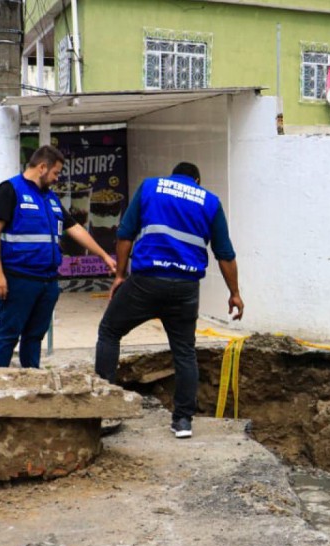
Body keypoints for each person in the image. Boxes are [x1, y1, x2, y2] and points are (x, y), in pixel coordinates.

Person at [94, 162, 243, 439]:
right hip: (185, 288)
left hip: (146, 282)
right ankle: (183, 421)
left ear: (173, 175)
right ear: (196, 180)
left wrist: (119, 275)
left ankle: (104, 409)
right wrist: (234, 293)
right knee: (184, 351)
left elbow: (125, 234)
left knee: (110, 331)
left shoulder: (150, 186)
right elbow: (225, 253)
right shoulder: (209, 201)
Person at [0, 145, 118, 368]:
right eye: (56, 173)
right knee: (8, 335)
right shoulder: (10, 190)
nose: (57, 178)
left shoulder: (51, 198)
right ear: (42, 167)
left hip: (47, 281)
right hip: (19, 278)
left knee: (35, 336)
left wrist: (104, 255)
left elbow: (75, 229)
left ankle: (31, 384)